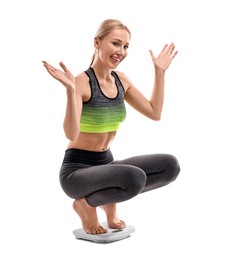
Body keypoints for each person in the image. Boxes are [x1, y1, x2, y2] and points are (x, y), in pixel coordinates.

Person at [42, 19, 180, 235]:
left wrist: (160, 73)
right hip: (77, 172)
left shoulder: (121, 80)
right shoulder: (81, 82)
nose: (121, 51)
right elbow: (71, 133)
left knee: (170, 166)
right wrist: (70, 91)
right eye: (115, 44)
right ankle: (86, 205)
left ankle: (108, 201)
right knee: (134, 178)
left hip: (106, 164)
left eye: (126, 46)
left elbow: (154, 112)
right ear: (97, 42)